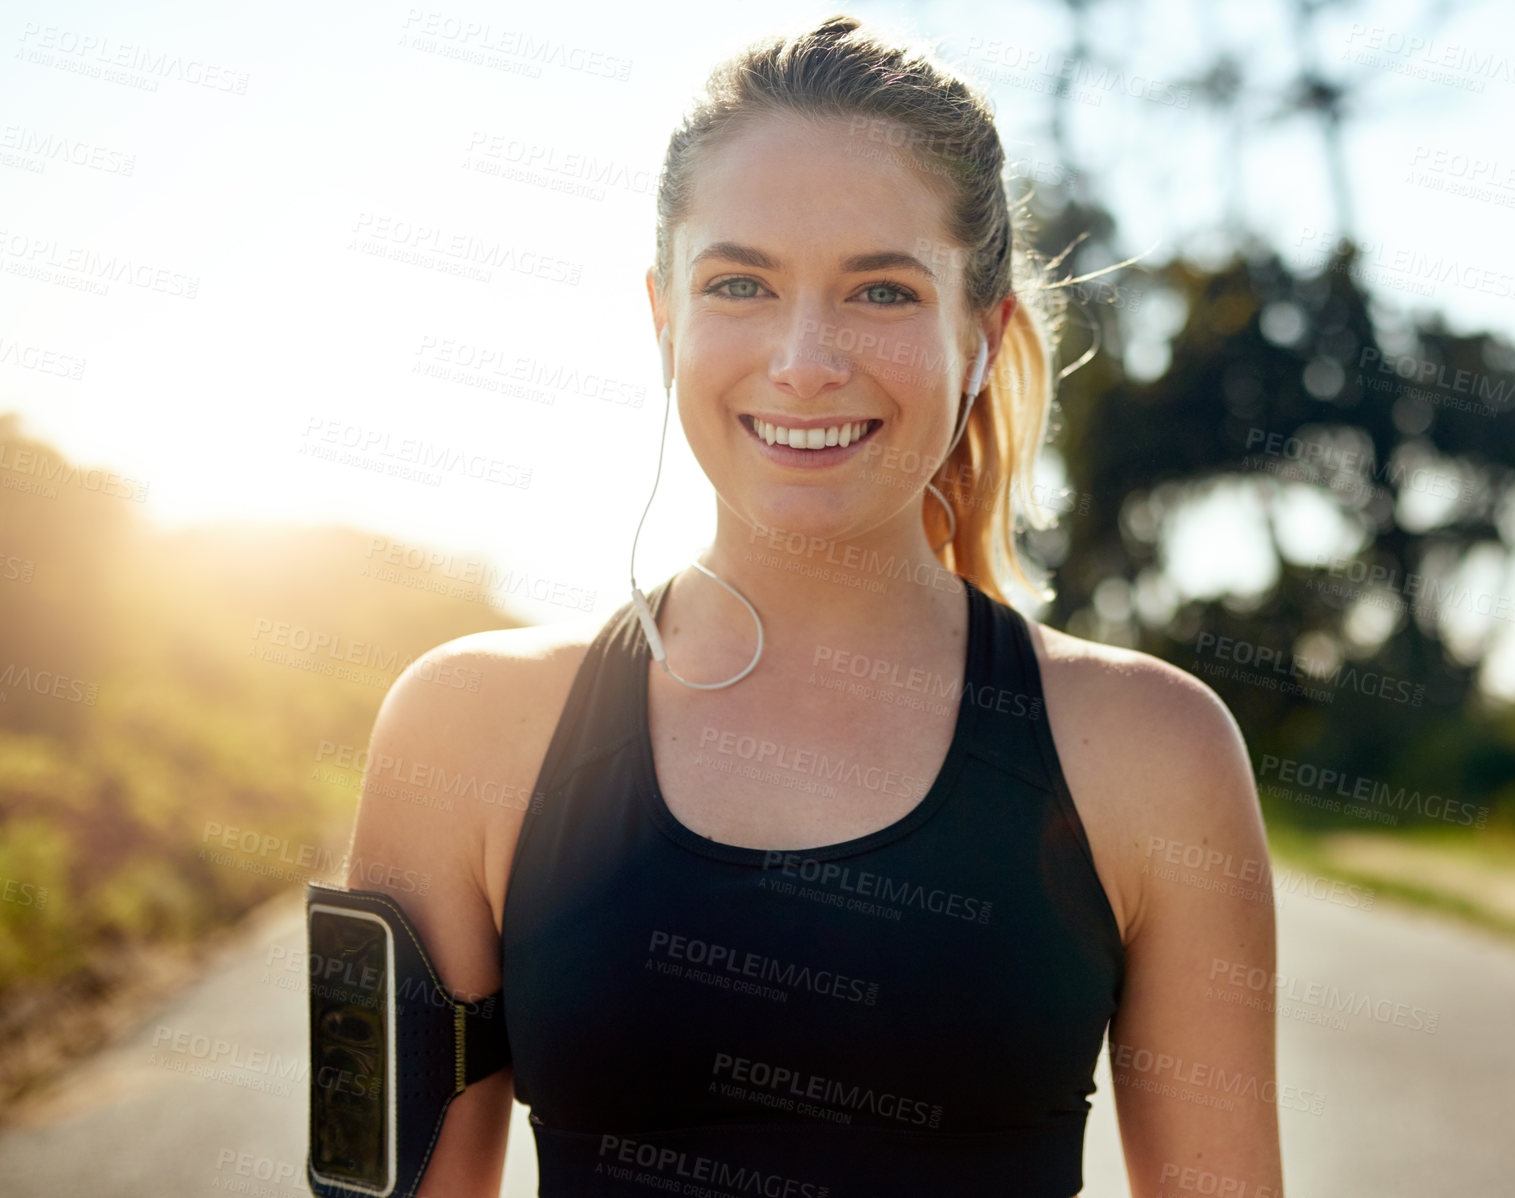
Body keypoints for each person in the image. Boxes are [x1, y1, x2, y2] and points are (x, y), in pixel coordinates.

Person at [344, 14, 1283, 1197]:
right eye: (740, 282)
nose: (803, 359)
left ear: (982, 337)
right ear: (662, 315)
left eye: (882, 291)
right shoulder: (457, 727)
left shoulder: (1157, 747)